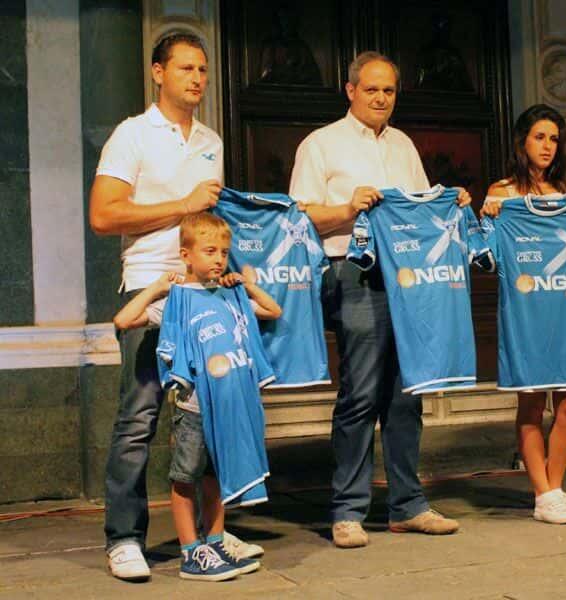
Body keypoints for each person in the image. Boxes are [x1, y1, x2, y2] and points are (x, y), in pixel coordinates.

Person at [89, 32, 262, 580]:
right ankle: (124, 539)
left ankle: (209, 537)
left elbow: (211, 222)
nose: (198, 78)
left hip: (205, 296)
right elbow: (104, 215)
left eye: (203, 69)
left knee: (207, 417)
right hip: (151, 289)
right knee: (139, 419)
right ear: (158, 72)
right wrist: (181, 205)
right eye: (186, 68)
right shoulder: (132, 134)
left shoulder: (211, 140)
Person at [289, 51, 471, 548]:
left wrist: (450, 202)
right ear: (350, 91)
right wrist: (348, 208)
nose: (380, 98)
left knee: (407, 393)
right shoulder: (321, 144)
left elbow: (420, 209)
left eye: (388, 90)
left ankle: (408, 506)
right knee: (362, 392)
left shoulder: (403, 145)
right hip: (351, 271)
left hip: (409, 277)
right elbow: (300, 218)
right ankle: (347, 510)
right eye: (371, 89)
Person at [113, 213, 281, 581]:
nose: (219, 259)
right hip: (193, 408)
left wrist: (247, 286)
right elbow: (124, 321)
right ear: (186, 255)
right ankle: (191, 552)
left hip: (227, 406)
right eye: (210, 251)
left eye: (224, 252)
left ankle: (215, 542)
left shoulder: (230, 295)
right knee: (186, 477)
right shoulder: (177, 300)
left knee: (214, 477)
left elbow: (273, 310)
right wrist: (156, 288)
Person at [481, 105, 566, 524]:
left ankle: (556, 488)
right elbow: (487, 255)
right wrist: (488, 217)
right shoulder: (503, 192)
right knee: (530, 405)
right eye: (539, 137)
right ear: (522, 142)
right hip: (526, 315)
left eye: (554, 139)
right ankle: (542, 494)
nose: (547, 146)